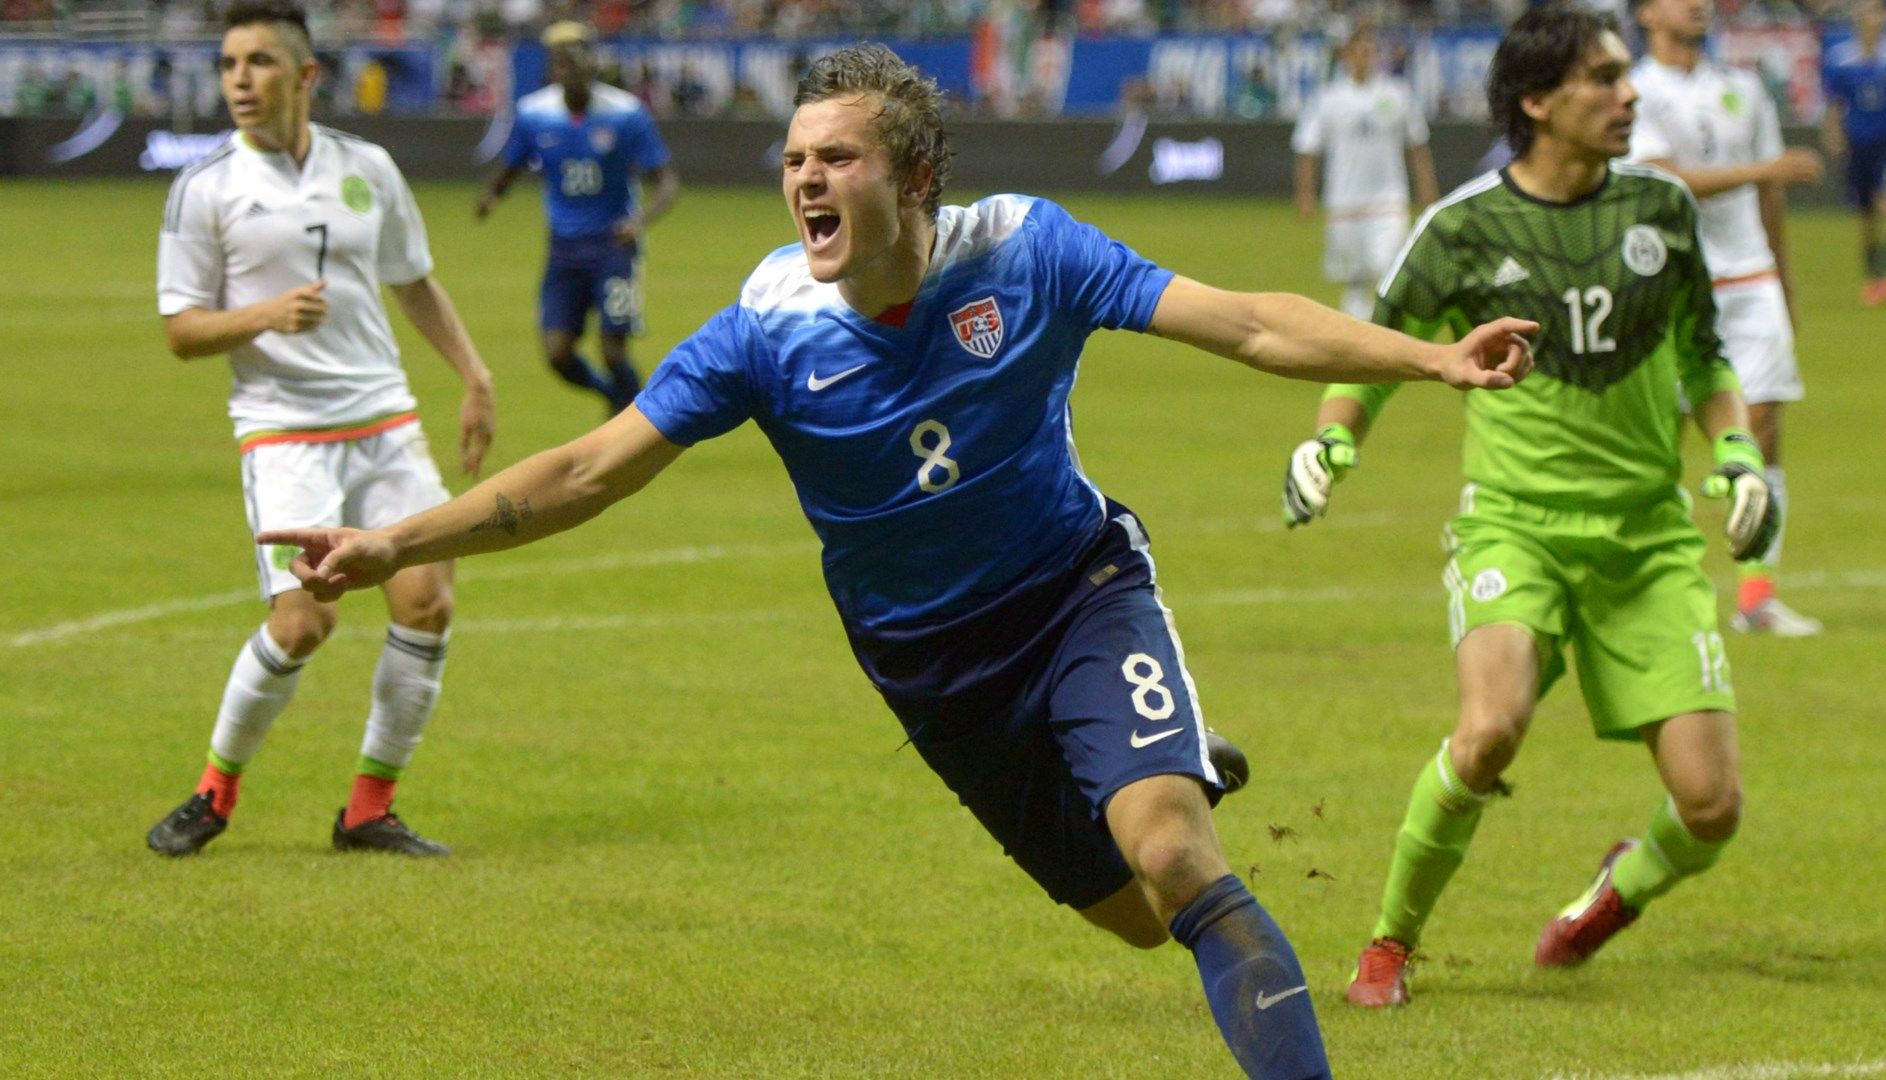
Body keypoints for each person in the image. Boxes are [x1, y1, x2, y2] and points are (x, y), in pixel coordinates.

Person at [261, 44, 1536, 1079]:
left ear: (915, 175)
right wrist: (393, 543)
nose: (806, 180)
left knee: (1170, 856)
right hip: (931, 670)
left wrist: (1429, 359)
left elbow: (1248, 323)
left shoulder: (1028, 251)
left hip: (1077, 595)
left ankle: (1159, 779)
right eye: (794, 159)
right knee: (1139, 921)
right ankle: (1158, 763)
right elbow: (589, 470)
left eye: (837, 158)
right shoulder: (765, 332)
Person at [1281, 4, 1779, 1008]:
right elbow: (1380, 348)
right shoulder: (1461, 226)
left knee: (1713, 806)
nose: (1629, 95)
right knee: (1490, 730)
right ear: (1539, 101)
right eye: (1605, 78)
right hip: (1516, 527)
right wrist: (1332, 438)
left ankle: (1617, 889)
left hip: (1647, 541)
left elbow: (1703, 355)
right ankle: (1388, 945)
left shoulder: (1661, 209)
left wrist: (1736, 452)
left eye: (1626, 76)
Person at [147, 1, 496, 858]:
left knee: (428, 603)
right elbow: (182, 332)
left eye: (260, 62)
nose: (240, 80)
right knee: (303, 623)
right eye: (229, 64)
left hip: (385, 420)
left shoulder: (366, 167)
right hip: (285, 432)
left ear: (305, 75)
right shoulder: (206, 186)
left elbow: (412, 279)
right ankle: (214, 793)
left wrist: (474, 374)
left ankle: (369, 810)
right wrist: (263, 315)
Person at [1627, 0, 1823, 637]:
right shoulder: (1632, 90)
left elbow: (1770, 197)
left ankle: (1756, 598)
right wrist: (1765, 169)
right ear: (1647, 13)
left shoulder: (1743, 88)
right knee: (1660, 441)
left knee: (1763, 427)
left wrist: (1783, 279)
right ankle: (1647, 590)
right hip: (1672, 283)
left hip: (1750, 277)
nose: (1699, 4)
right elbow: (1663, 182)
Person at [475, 20, 679, 416]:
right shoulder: (534, 113)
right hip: (564, 248)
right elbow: (512, 164)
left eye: (578, 58)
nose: (570, 68)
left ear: (593, 64)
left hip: (614, 244)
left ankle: (636, 421)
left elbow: (666, 182)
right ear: (551, 69)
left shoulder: (625, 113)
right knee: (557, 353)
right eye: (561, 61)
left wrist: (640, 220)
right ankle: (614, 398)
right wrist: (491, 196)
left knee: (612, 349)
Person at [1291, 14, 1438, 319]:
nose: (1364, 55)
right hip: (1344, 205)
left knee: (1389, 271)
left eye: (1370, 49)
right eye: (1357, 49)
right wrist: (1305, 194)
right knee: (1354, 282)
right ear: (1345, 54)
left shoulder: (1397, 94)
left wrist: (1427, 190)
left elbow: (1417, 145)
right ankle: (1358, 335)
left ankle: (1389, 332)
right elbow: (1307, 149)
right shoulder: (1328, 98)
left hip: (1388, 203)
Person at [1822, 0, 1886, 307]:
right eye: (1866, 13)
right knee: (1866, 215)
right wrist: (1833, 132)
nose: (1872, 18)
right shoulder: (1841, 59)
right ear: (1857, 19)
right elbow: (1835, 103)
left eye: (1877, 12)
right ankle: (1873, 276)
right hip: (1858, 144)